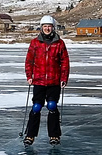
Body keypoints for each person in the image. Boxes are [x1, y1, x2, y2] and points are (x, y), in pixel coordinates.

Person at [24, 15, 69, 146]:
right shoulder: (35, 43)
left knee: (52, 106)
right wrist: (29, 76)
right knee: (36, 107)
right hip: (38, 80)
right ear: (41, 27)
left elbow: (64, 62)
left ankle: (54, 135)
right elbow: (29, 61)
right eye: (45, 26)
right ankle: (30, 135)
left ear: (53, 27)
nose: (47, 28)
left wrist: (64, 78)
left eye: (49, 26)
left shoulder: (59, 43)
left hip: (54, 81)